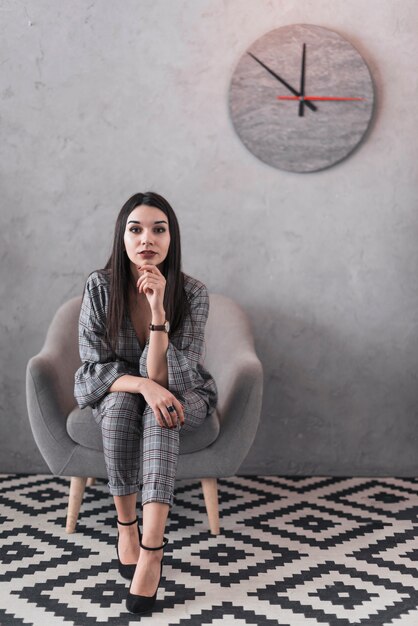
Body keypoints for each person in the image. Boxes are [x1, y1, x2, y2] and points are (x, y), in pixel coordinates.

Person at [73, 191, 218, 614]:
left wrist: (158, 311)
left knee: (163, 414)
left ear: (172, 238)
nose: (146, 239)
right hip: (121, 390)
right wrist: (140, 387)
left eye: (159, 229)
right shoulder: (100, 286)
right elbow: (93, 367)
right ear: (122, 236)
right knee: (121, 408)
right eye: (135, 229)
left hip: (183, 391)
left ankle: (152, 551)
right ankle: (127, 530)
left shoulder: (192, 293)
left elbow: (166, 379)